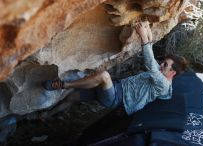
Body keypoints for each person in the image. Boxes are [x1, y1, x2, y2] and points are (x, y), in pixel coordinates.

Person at [43, 21, 187, 115]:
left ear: (172, 73)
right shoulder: (161, 74)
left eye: (165, 65)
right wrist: (147, 28)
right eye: (164, 62)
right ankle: (46, 115)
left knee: (104, 76)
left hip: (116, 98)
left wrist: (142, 36)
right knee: (73, 97)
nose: (162, 64)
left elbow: (150, 63)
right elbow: (152, 54)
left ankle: (63, 85)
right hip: (115, 88)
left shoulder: (163, 85)